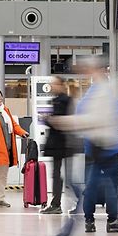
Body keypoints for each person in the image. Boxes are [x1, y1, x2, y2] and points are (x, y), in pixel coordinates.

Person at [47, 56, 118, 236]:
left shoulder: (99, 94)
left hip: (103, 150)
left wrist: (62, 122)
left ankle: (68, 234)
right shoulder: (102, 93)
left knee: (93, 193)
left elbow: (90, 120)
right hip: (104, 150)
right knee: (102, 192)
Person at [41, 76, 80, 215]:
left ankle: (74, 202)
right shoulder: (58, 100)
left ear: (61, 85)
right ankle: (57, 203)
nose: (51, 87)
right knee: (58, 174)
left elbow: (62, 121)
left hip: (63, 143)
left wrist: (49, 119)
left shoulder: (64, 100)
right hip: (60, 144)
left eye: (54, 84)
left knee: (65, 176)